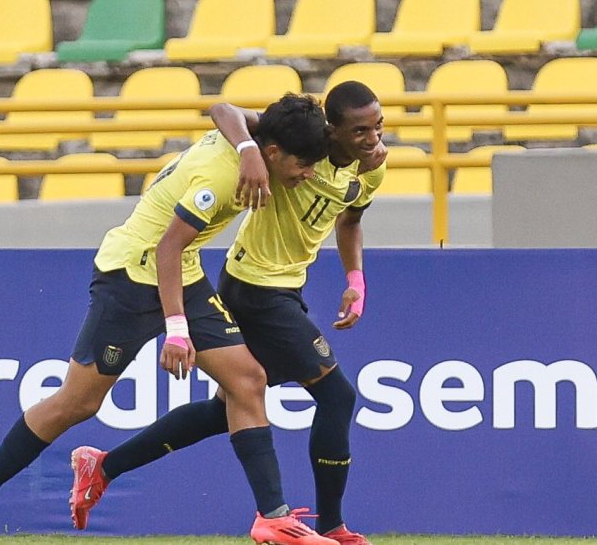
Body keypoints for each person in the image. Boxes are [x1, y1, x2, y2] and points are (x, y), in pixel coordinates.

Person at [0, 94, 340, 545]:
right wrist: (176, 330)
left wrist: (249, 150)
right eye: (305, 164)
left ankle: (273, 518)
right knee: (79, 402)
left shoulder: (258, 138)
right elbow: (165, 248)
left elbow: (224, 108)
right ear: (273, 152)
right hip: (132, 274)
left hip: (182, 273)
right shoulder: (222, 175)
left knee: (247, 379)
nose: (308, 174)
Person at [78, 81, 387, 545]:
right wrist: (247, 151)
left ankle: (104, 466)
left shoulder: (371, 171)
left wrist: (355, 280)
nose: (373, 138)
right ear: (333, 131)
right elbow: (223, 109)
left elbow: (351, 220)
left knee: (228, 406)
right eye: (360, 130)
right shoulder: (304, 149)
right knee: (337, 396)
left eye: (378, 126)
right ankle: (330, 526)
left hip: (288, 287)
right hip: (254, 287)